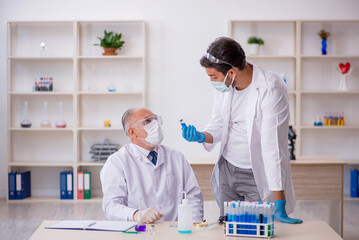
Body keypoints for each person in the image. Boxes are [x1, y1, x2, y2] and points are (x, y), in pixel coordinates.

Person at [181, 37, 302, 224]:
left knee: (255, 229)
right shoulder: (225, 86)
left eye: (213, 77)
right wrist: (202, 136)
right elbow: (219, 123)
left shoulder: (271, 88)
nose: (212, 81)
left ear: (231, 72)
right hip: (227, 168)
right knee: (230, 227)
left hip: (256, 173)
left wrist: (279, 201)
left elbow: (273, 146)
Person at [101, 107, 203, 223]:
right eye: (148, 121)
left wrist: (194, 228)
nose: (155, 124)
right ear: (132, 132)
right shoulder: (117, 162)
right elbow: (111, 206)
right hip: (138, 231)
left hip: (175, 232)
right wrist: (136, 215)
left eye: (155, 119)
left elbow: (194, 197)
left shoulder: (176, 157)